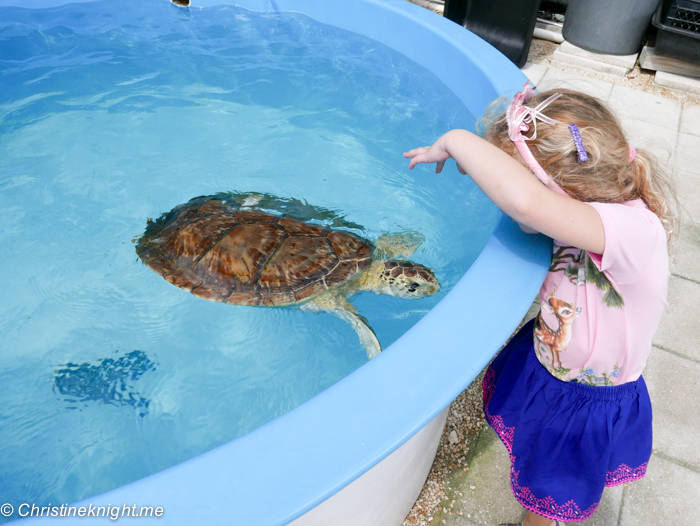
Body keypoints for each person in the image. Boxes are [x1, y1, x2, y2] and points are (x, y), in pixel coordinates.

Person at [404, 84, 679, 526]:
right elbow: (532, 211)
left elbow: (527, 205)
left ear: (563, 191)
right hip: (551, 371)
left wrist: (457, 140)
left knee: (549, 492)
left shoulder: (634, 233)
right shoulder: (583, 214)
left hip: (588, 402)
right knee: (536, 470)